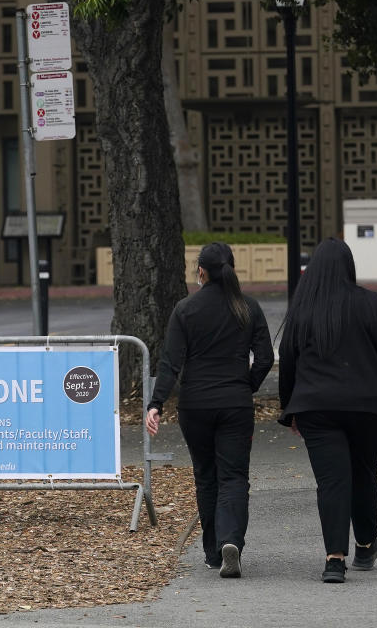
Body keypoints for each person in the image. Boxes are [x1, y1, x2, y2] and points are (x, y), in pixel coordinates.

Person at [277, 237, 377, 583]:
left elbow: (288, 361)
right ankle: (364, 543)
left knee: (331, 482)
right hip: (368, 407)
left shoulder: (303, 309)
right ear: (349, 267)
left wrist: (291, 409)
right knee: (363, 475)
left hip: (316, 407)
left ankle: (333, 559)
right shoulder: (372, 305)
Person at [145, 242, 274, 578]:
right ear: (231, 269)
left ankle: (213, 552)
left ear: (201, 271)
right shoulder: (248, 308)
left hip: (195, 405)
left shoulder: (186, 309)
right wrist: (246, 385)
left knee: (206, 476)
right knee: (234, 476)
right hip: (235, 402)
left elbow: (170, 362)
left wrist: (156, 403)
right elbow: (265, 358)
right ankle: (231, 539)